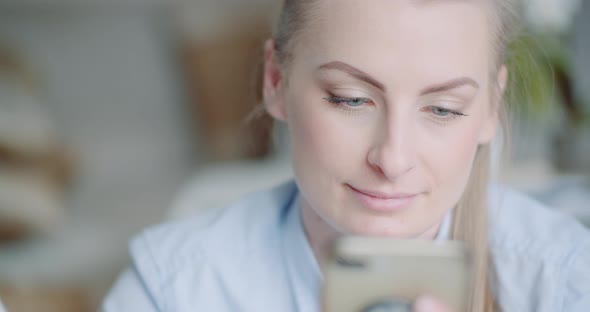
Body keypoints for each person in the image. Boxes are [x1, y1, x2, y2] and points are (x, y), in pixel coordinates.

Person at [101, 0, 590, 311]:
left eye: (442, 108)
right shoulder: (177, 287)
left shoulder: (567, 281)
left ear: (490, 108)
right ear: (276, 81)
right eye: (351, 99)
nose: (393, 159)